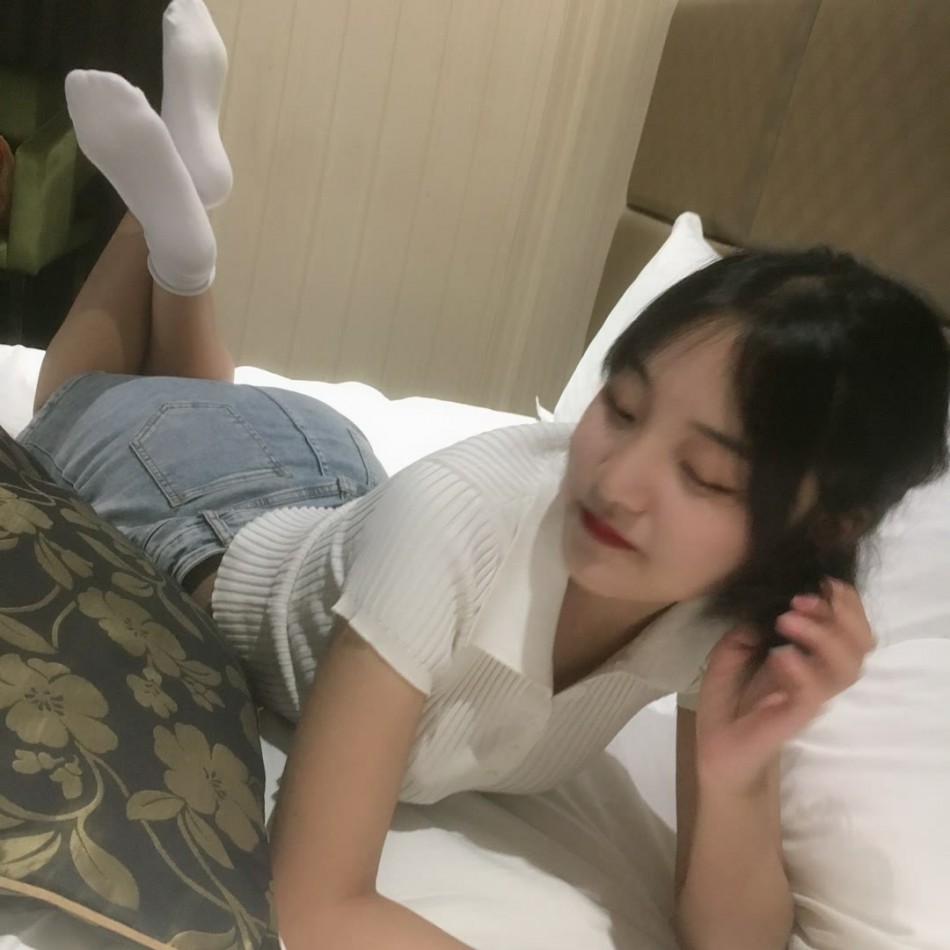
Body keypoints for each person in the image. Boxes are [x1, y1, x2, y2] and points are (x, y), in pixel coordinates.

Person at [19, 3, 950, 948]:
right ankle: (158, 223)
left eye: (705, 473)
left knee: (175, 397)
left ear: (821, 525)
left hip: (326, 484)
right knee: (69, 399)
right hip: (196, 514)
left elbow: (735, 942)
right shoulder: (457, 517)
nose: (617, 480)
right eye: (622, 407)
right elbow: (312, 900)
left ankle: (183, 224)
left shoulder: (736, 610)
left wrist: (735, 774)